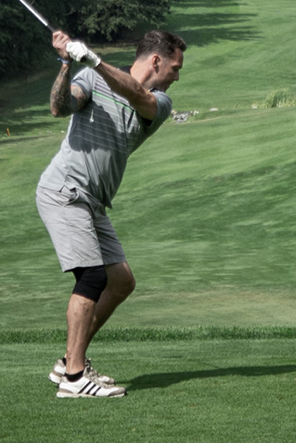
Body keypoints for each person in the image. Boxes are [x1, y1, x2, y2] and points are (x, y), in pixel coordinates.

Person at [36, 29, 185, 398]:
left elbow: (135, 93)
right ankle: (73, 379)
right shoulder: (88, 75)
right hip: (66, 191)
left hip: (93, 202)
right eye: (175, 67)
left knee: (121, 281)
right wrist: (68, 65)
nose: (177, 75)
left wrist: (94, 61)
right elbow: (59, 107)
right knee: (91, 278)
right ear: (156, 60)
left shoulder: (160, 102)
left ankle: (69, 359)